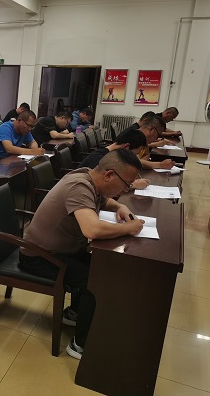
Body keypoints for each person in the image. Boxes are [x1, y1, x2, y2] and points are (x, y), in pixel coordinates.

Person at [21, 149, 144, 359]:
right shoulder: (79, 186)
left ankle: (74, 313)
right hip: (38, 256)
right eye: (126, 184)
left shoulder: (90, 177)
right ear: (109, 175)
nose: (126, 189)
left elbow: (102, 201)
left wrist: (120, 205)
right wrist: (129, 228)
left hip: (61, 249)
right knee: (95, 279)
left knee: (102, 265)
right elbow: (92, 230)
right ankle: (79, 345)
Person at [79, 128, 150, 189]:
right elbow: (101, 187)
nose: (135, 157)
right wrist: (132, 185)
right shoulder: (99, 159)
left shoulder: (113, 156)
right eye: (135, 154)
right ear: (126, 147)